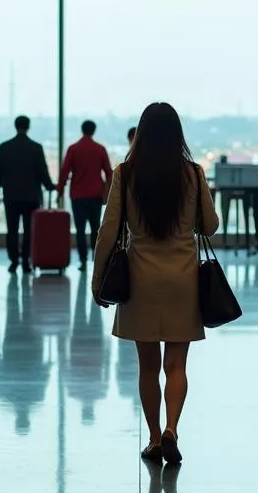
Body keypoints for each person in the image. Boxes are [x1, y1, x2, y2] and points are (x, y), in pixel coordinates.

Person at [91, 102, 218, 466]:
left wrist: (98, 280)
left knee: (148, 366)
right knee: (176, 365)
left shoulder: (125, 174)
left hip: (140, 282)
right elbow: (209, 226)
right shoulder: (192, 173)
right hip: (182, 279)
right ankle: (172, 430)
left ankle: (153, 438)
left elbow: (108, 232)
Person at [0, 115, 55, 274]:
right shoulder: (36, 148)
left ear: (15, 126)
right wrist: (50, 186)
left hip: (11, 196)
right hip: (31, 197)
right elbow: (43, 172)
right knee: (29, 230)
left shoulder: (5, 147)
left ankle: (13, 261)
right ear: (28, 127)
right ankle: (27, 261)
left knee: (11, 230)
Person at [58, 120, 113, 273]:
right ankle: (97, 260)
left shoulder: (73, 149)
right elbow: (109, 172)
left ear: (82, 130)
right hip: (95, 194)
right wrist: (110, 192)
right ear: (93, 131)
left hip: (78, 195)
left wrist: (59, 190)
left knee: (80, 229)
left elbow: (64, 172)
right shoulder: (100, 149)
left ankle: (82, 260)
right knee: (96, 228)